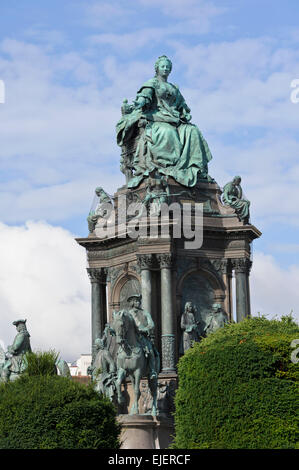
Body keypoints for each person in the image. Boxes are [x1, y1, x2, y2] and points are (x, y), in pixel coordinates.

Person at [116, 55, 213, 188]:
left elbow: (182, 105)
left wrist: (185, 112)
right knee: (167, 132)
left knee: (192, 131)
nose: (166, 68)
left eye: (168, 67)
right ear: (157, 68)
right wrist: (139, 103)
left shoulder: (173, 88)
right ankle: (164, 167)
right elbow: (144, 98)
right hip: (156, 118)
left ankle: (195, 169)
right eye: (163, 66)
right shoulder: (152, 83)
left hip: (174, 119)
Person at [127, 294, 159, 379]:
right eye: (136, 301)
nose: (138, 302)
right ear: (132, 303)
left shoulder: (145, 312)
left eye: (139, 301)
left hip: (143, 338)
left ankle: (152, 371)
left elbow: (151, 324)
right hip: (131, 338)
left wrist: (145, 329)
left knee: (151, 352)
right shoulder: (128, 314)